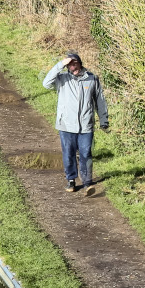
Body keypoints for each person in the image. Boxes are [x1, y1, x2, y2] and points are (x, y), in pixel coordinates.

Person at [42, 51, 109, 193]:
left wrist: (104, 120)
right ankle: (71, 180)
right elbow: (46, 83)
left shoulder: (92, 79)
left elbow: (100, 101)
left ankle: (87, 182)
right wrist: (60, 64)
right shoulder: (62, 79)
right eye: (70, 65)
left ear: (80, 63)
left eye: (76, 63)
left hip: (86, 126)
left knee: (86, 153)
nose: (74, 67)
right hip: (66, 125)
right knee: (68, 153)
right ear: (67, 67)